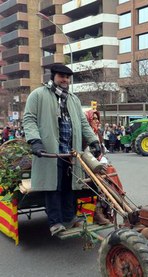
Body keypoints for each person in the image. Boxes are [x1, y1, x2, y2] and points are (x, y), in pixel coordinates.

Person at [23, 63, 101, 236]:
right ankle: (55, 222)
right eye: (61, 76)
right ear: (53, 77)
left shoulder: (73, 99)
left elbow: (82, 123)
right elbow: (29, 120)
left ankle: (69, 217)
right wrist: (35, 141)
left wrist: (94, 141)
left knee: (69, 187)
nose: (65, 80)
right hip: (51, 152)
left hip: (71, 153)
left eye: (67, 78)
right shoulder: (38, 95)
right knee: (53, 188)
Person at [84, 109, 111, 225]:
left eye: (97, 118)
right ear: (88, 120)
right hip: (86, 165)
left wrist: (103, 160)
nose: (96, 121)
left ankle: (114, 206)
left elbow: (102, 151)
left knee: (111, 176)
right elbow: (84, 152)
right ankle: (96, 212)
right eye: (93, 118)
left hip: (97, 163)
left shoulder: (98, 133)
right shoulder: (85, 134)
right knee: (95, 184)